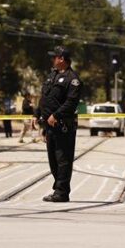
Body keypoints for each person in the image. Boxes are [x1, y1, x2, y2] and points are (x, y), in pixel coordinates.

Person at [37, 46, 82, 203]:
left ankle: (62, 192)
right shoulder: (52, 76)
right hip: (49, 126)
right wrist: (36, 115)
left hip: (63, 125)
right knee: (53, 160)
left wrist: (56, 115)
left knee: (63, 159)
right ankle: (59, 188)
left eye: (55, 57)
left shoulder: (73, 79)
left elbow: (71, 102)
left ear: (62, 59)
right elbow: (44, 97)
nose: (53, 60)